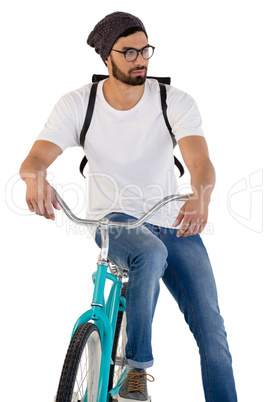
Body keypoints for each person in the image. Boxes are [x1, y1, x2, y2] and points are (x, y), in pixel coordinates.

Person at [20, 11, 237, 402]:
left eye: (145, 50)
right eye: (130, 52)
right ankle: (136, 372)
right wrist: (34, 177)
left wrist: (201, 194)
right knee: (149, 252)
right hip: (113, 220)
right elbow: (34, 160)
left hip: (174, 221)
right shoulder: (78, 104)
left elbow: (201, 163)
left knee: (214, 335)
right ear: (107, 57)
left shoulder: (173, 101)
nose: (141, 60)